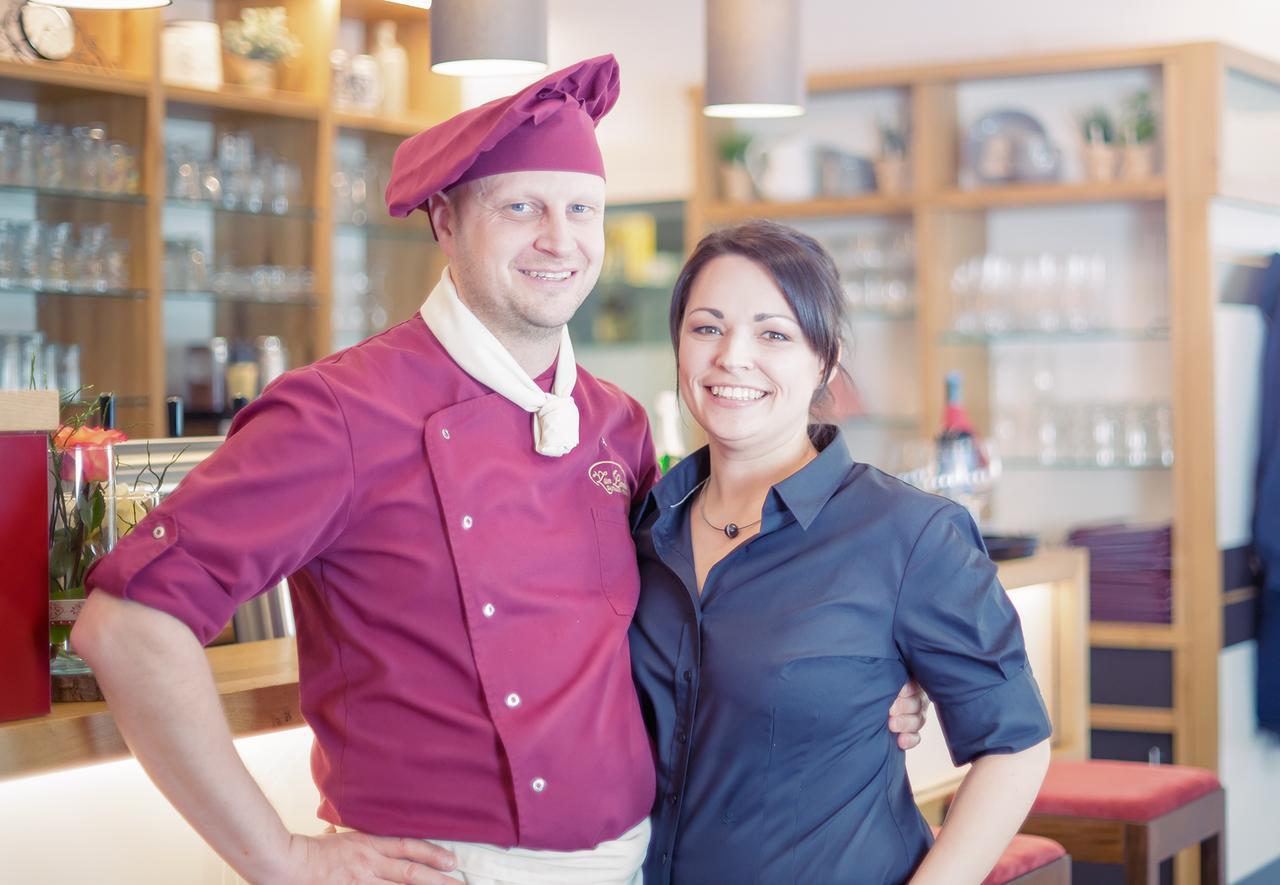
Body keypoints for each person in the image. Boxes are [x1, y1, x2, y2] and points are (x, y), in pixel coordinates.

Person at [70, 58, 927, 885]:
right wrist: (278, 858)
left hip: (631, 861)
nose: (561, 240)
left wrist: (856, 682)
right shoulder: (338, 410)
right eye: (522, 206)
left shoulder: (614, 421)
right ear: (445, 221)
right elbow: (127, 625)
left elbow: (686, 618)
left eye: (583, 210)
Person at [629, 220, 1053, 884]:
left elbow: (1016, 745)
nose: (732, 356)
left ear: (823, 360)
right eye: (707, 327)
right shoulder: (647, 525)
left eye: (774, 333)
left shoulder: (908, 534)